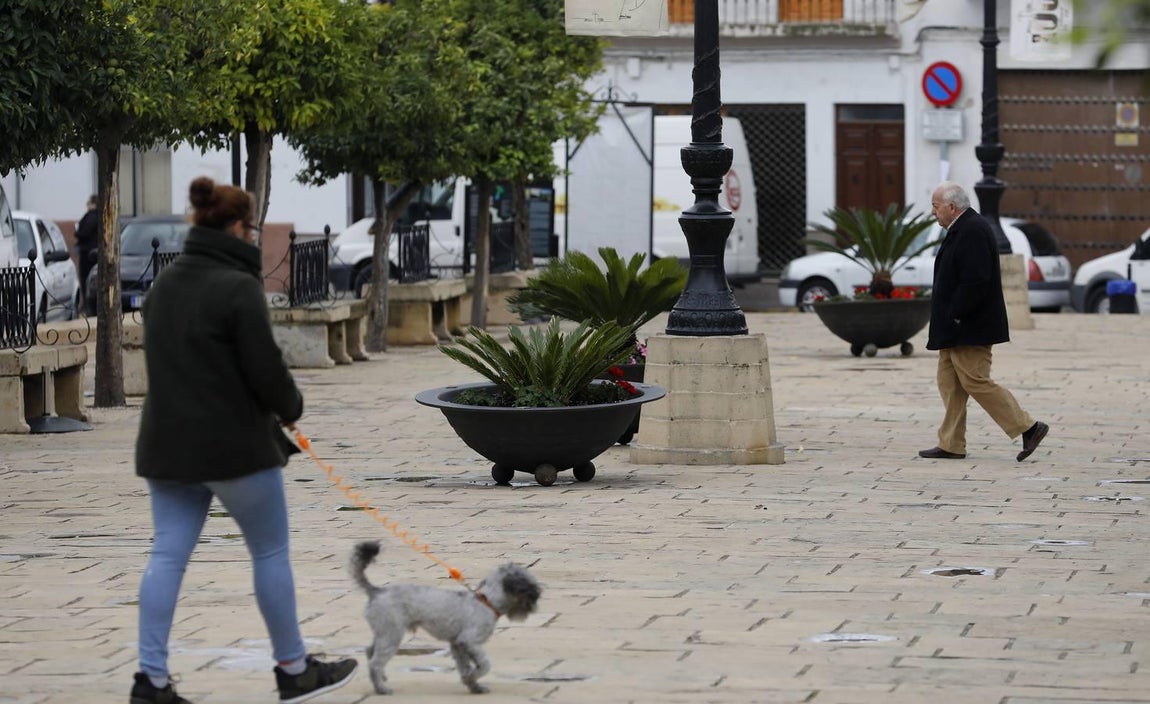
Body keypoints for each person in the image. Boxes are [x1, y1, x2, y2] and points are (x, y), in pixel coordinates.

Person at [131, 176, 357, 704]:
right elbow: (266, 370)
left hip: (167, 446)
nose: (253, 236)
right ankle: (295, 670)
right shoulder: (237, 287)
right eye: (251, 227)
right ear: (236, 226)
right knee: (270, 552)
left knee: (166, 557)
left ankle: (151, 681)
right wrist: (291, 408)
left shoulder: (165, 286)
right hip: (234, 448)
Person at [919, 181, 1049, 462]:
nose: (933, 212)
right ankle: (951, 443)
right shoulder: (961, 228)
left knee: (976, 381)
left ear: (952, 207)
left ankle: (1028, 427)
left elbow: (976, 280)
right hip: (954, 327)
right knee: (950, 384)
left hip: (968, 326)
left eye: (935, 206)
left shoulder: (973, 230)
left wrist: (956, 313)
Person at [74, 195, 99, 302]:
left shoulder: (91, 216)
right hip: (93, 252)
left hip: (88, 253)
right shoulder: (98, 215)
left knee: (86, 278)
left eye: (88, 203)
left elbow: (85, 232)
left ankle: (87, 303)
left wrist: (77, 232)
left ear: (93, 203)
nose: (87, 205)